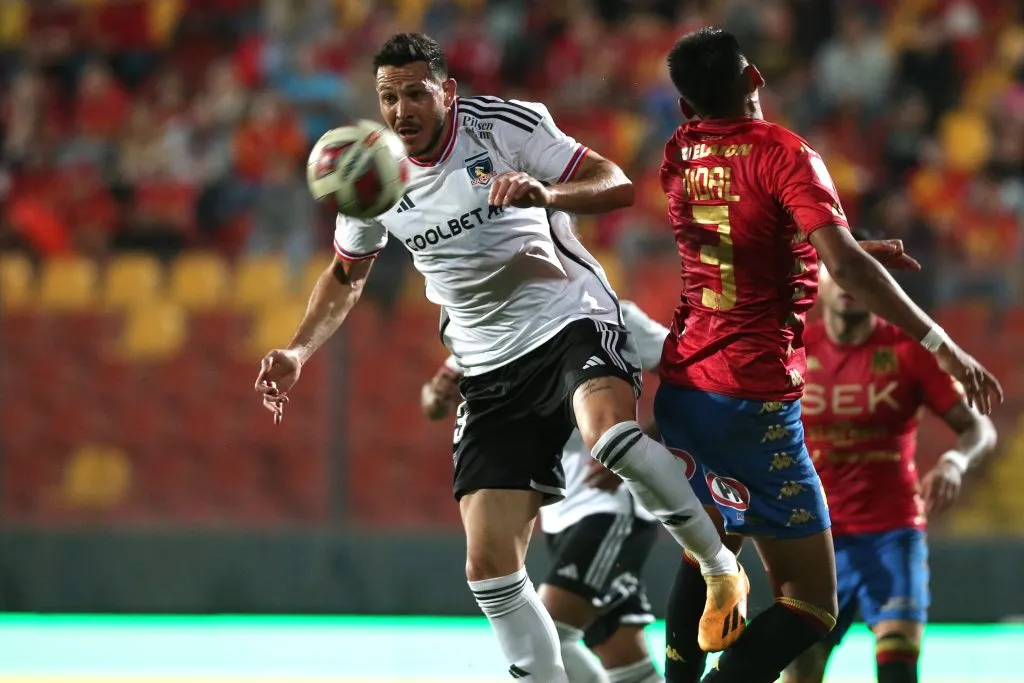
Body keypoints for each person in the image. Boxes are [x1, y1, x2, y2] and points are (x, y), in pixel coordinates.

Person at [254, 33, 744, 682]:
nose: (401, 110)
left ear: (447, 91)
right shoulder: (373, 173)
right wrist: (296, 348)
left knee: (610, 437)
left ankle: (717, 566)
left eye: (415, 93)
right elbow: (346, 277)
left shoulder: (505, 126)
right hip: (488, 367)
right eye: (388, 97)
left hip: (570, 318)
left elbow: (615, 183)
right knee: (489, 568)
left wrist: (547, 195)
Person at [653, 27, 1003, 683]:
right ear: (754, 77)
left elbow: (748, 245)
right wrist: (942, 342)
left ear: (685, 107)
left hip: (686, 386)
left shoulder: (679, 152)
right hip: (751, 394)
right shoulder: (787, 153)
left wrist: (855, 255)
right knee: (811, 606)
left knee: (713, 554)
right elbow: (833, 259)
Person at [423, 300, 670, 683]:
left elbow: (696, 381)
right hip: (560, 517)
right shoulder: (489, 320)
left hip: (608, 511)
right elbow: (433, 404)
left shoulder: (611, 312)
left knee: (548, 632)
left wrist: (634, 448)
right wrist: (436, 395)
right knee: (625, 659)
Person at [784, 257, 997, 683]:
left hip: (892, 533)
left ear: (880, 283)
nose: (849, 282)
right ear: (818, 278)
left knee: (897, 666)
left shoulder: (908, 350)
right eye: (841, 268)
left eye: (863, 271)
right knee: (801, 671)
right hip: (814, 537)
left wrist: (955, 462)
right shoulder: (792, 348)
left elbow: (980, 429)